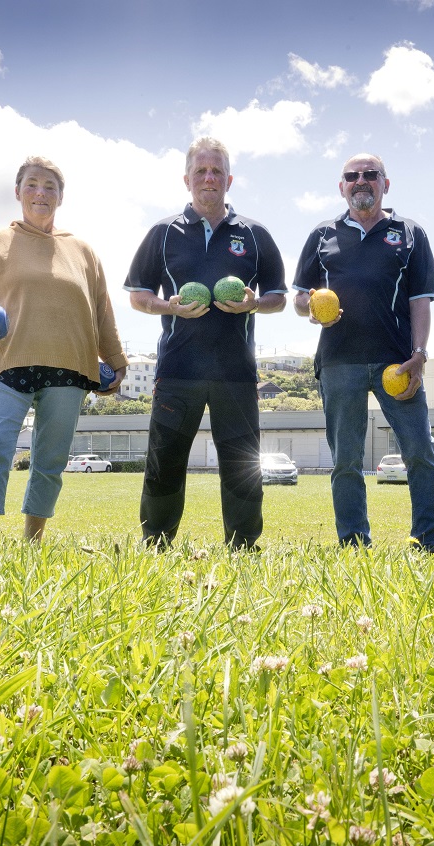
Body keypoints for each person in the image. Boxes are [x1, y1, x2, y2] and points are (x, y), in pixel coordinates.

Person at [0, 156, 127, 542]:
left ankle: (32, 542)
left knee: (50, 459)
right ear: (18, 192)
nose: (41, 193)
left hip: (69, 366)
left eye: (50, 187)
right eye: (32, 184)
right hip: (5, 361)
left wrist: (116, 360)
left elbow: (101, 311)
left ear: (61, 197)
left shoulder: (82, 251)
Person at [125, 137, 287, 549]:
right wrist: (169, 307)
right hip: (178, 372)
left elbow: (278, 297)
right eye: (201, 171)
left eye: (216, 171)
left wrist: (253, 304)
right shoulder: (163, 233)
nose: (209, 178)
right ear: (187, 179)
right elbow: (138, 296)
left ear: (229, 179)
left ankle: (244, 546)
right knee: (166, 460)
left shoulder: (254, 234)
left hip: (235, 372)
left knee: (241, 464)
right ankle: (156, 543)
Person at [293, 153, 434, 551]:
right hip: (338, 361)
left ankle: (429, 541)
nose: (361, 181)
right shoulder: (321, 234)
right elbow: (299, 298)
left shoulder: (410, 233)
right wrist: (310, 308)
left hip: (397, 360)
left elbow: (420, 301)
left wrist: (420, 354)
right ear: (341, 186)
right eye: (352, 176)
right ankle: (354, 542)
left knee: (420, 452)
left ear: (385, 183)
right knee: (345, 460)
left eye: (370, 175)